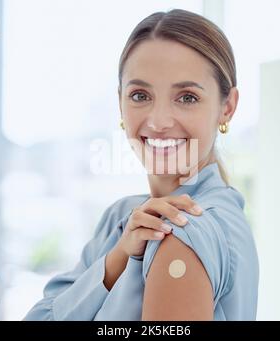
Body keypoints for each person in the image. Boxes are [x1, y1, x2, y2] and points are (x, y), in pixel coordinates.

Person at [24, 8, 259, 321]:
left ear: (227, 107)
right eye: (139, 95)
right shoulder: (120, 220)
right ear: (120, 102)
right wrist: (117, 259)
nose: (159, 121)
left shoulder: (182, 231)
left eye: (187, 97)